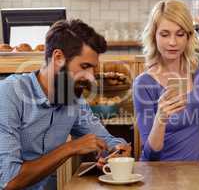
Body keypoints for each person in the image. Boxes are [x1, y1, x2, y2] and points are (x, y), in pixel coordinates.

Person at [0, 19, 131, 190]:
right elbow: (9, 180)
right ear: (58, 58)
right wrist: (70, 148)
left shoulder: (73, 100)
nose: (91, 77)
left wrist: (117, 150)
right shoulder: (9, 94)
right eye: (85, 66)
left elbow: (106, 140)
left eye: (93, 68)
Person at [133, 0, 199, 161]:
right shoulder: (144, 84)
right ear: (153, 36)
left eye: (180, 34)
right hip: (159, 177)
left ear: (188, 37)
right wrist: (161, 117)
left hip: (194, 176)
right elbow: (151, 154)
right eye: (165, 34)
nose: (172, 42)